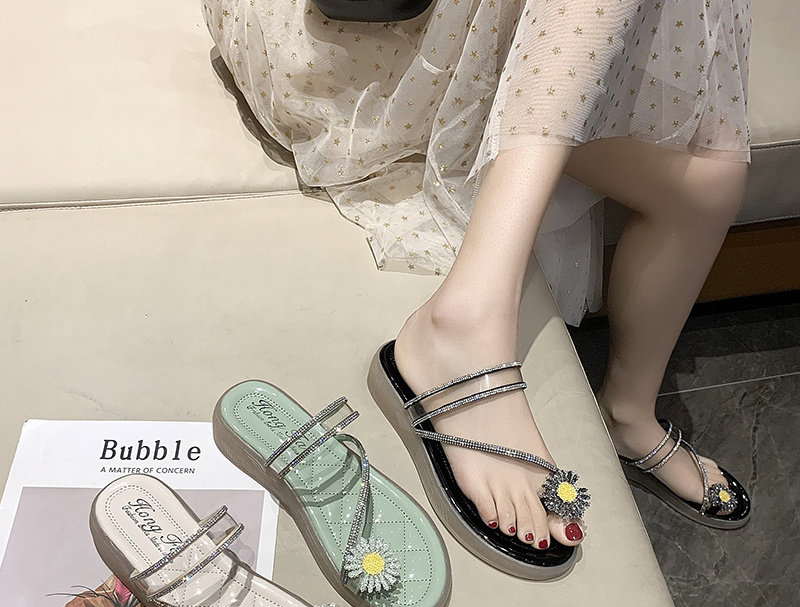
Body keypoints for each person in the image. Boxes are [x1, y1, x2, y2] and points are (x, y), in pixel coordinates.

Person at [203, 0, 752, 559]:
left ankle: (627, 412)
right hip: (394, 40)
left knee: (710, 184)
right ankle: (468, 319)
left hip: (552, 55)